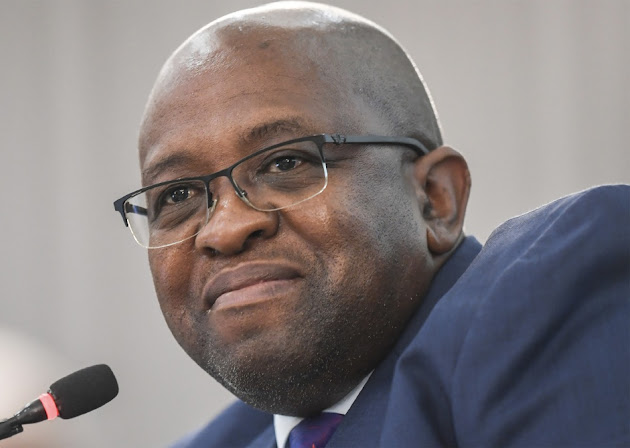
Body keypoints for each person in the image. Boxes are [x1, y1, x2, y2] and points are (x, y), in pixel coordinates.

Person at [112, 2, 629, 446]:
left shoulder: (542, 303)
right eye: (176, 195)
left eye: (285, 163)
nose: (224, 229)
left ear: (435, 199)